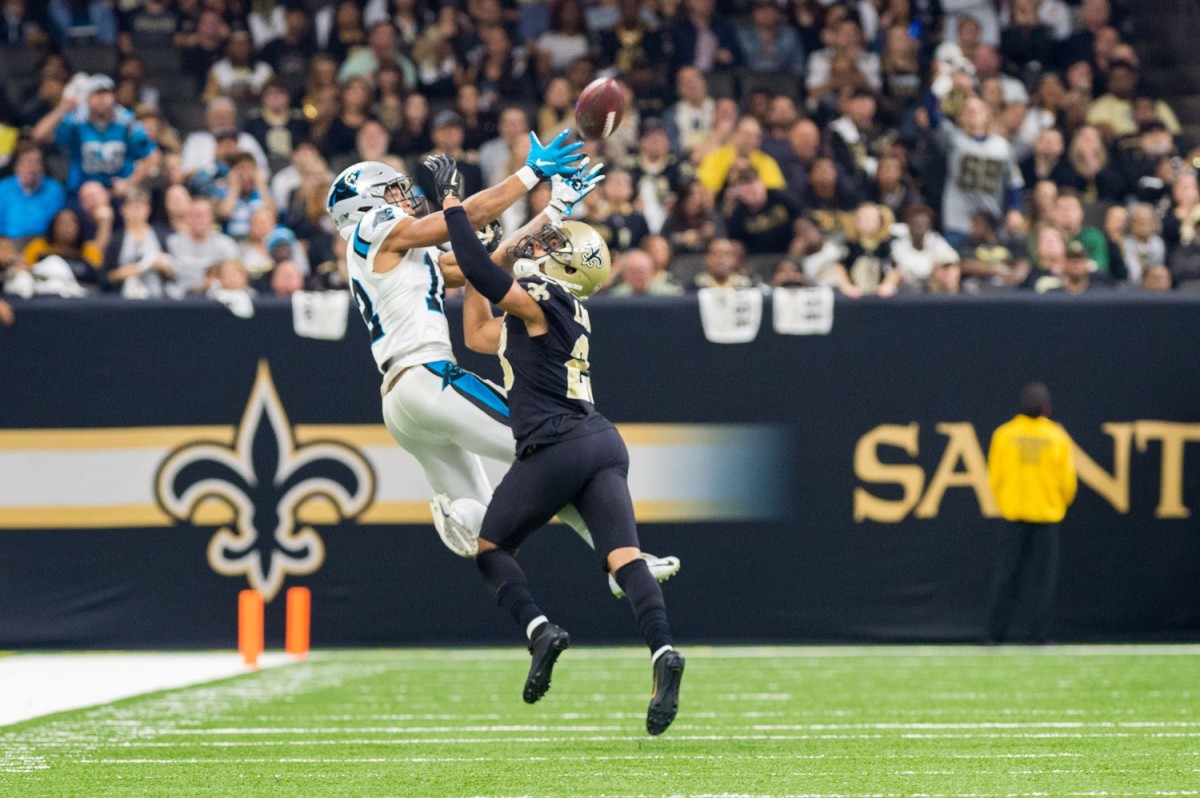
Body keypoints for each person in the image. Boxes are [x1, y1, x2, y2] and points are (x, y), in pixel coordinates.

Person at [324, 132, 680, 595]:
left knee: (484, 520)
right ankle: (626, 563)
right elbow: (467, 216)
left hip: (399, 401)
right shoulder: (373, 227)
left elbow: (486, 264)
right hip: (430, 378)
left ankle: (467, 523)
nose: (404, 196)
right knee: (555, 448)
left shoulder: (398, 254)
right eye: (391, 190)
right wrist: (531, 172)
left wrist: (552, 211)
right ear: (364, 202)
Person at [430, 153, 685, 736]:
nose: (541, 246)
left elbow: (475, 264)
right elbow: (476, 333)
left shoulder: (541, 301)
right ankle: (663, 651)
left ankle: (539, 629)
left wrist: (453, 206)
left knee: (491, 549)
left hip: (557, 444)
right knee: (624, 559)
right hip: (600, 441)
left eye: (552, 244)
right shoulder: (565, 311)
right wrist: (504, 248)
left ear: (563, 263)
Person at [985, 383, 1077, 644]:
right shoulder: (1056, 437)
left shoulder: (1004, 434)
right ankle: (1037, 635)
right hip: (1047, 516)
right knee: (1042, 580)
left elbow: (994, 475)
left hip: (1013, 515)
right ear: (1047, 409)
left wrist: (1005, 502)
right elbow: (1068, 481)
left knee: (1005, 577)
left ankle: (994, 635)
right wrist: (1058, 503)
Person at [0, 142, 66, 241]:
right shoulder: (3, 188)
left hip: (41, 244)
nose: (32, 168)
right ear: (16, 167)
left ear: (42, 167)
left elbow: (55, 227)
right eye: (27, 162)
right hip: (7, 243)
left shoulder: (55, 190)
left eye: (36, 162)